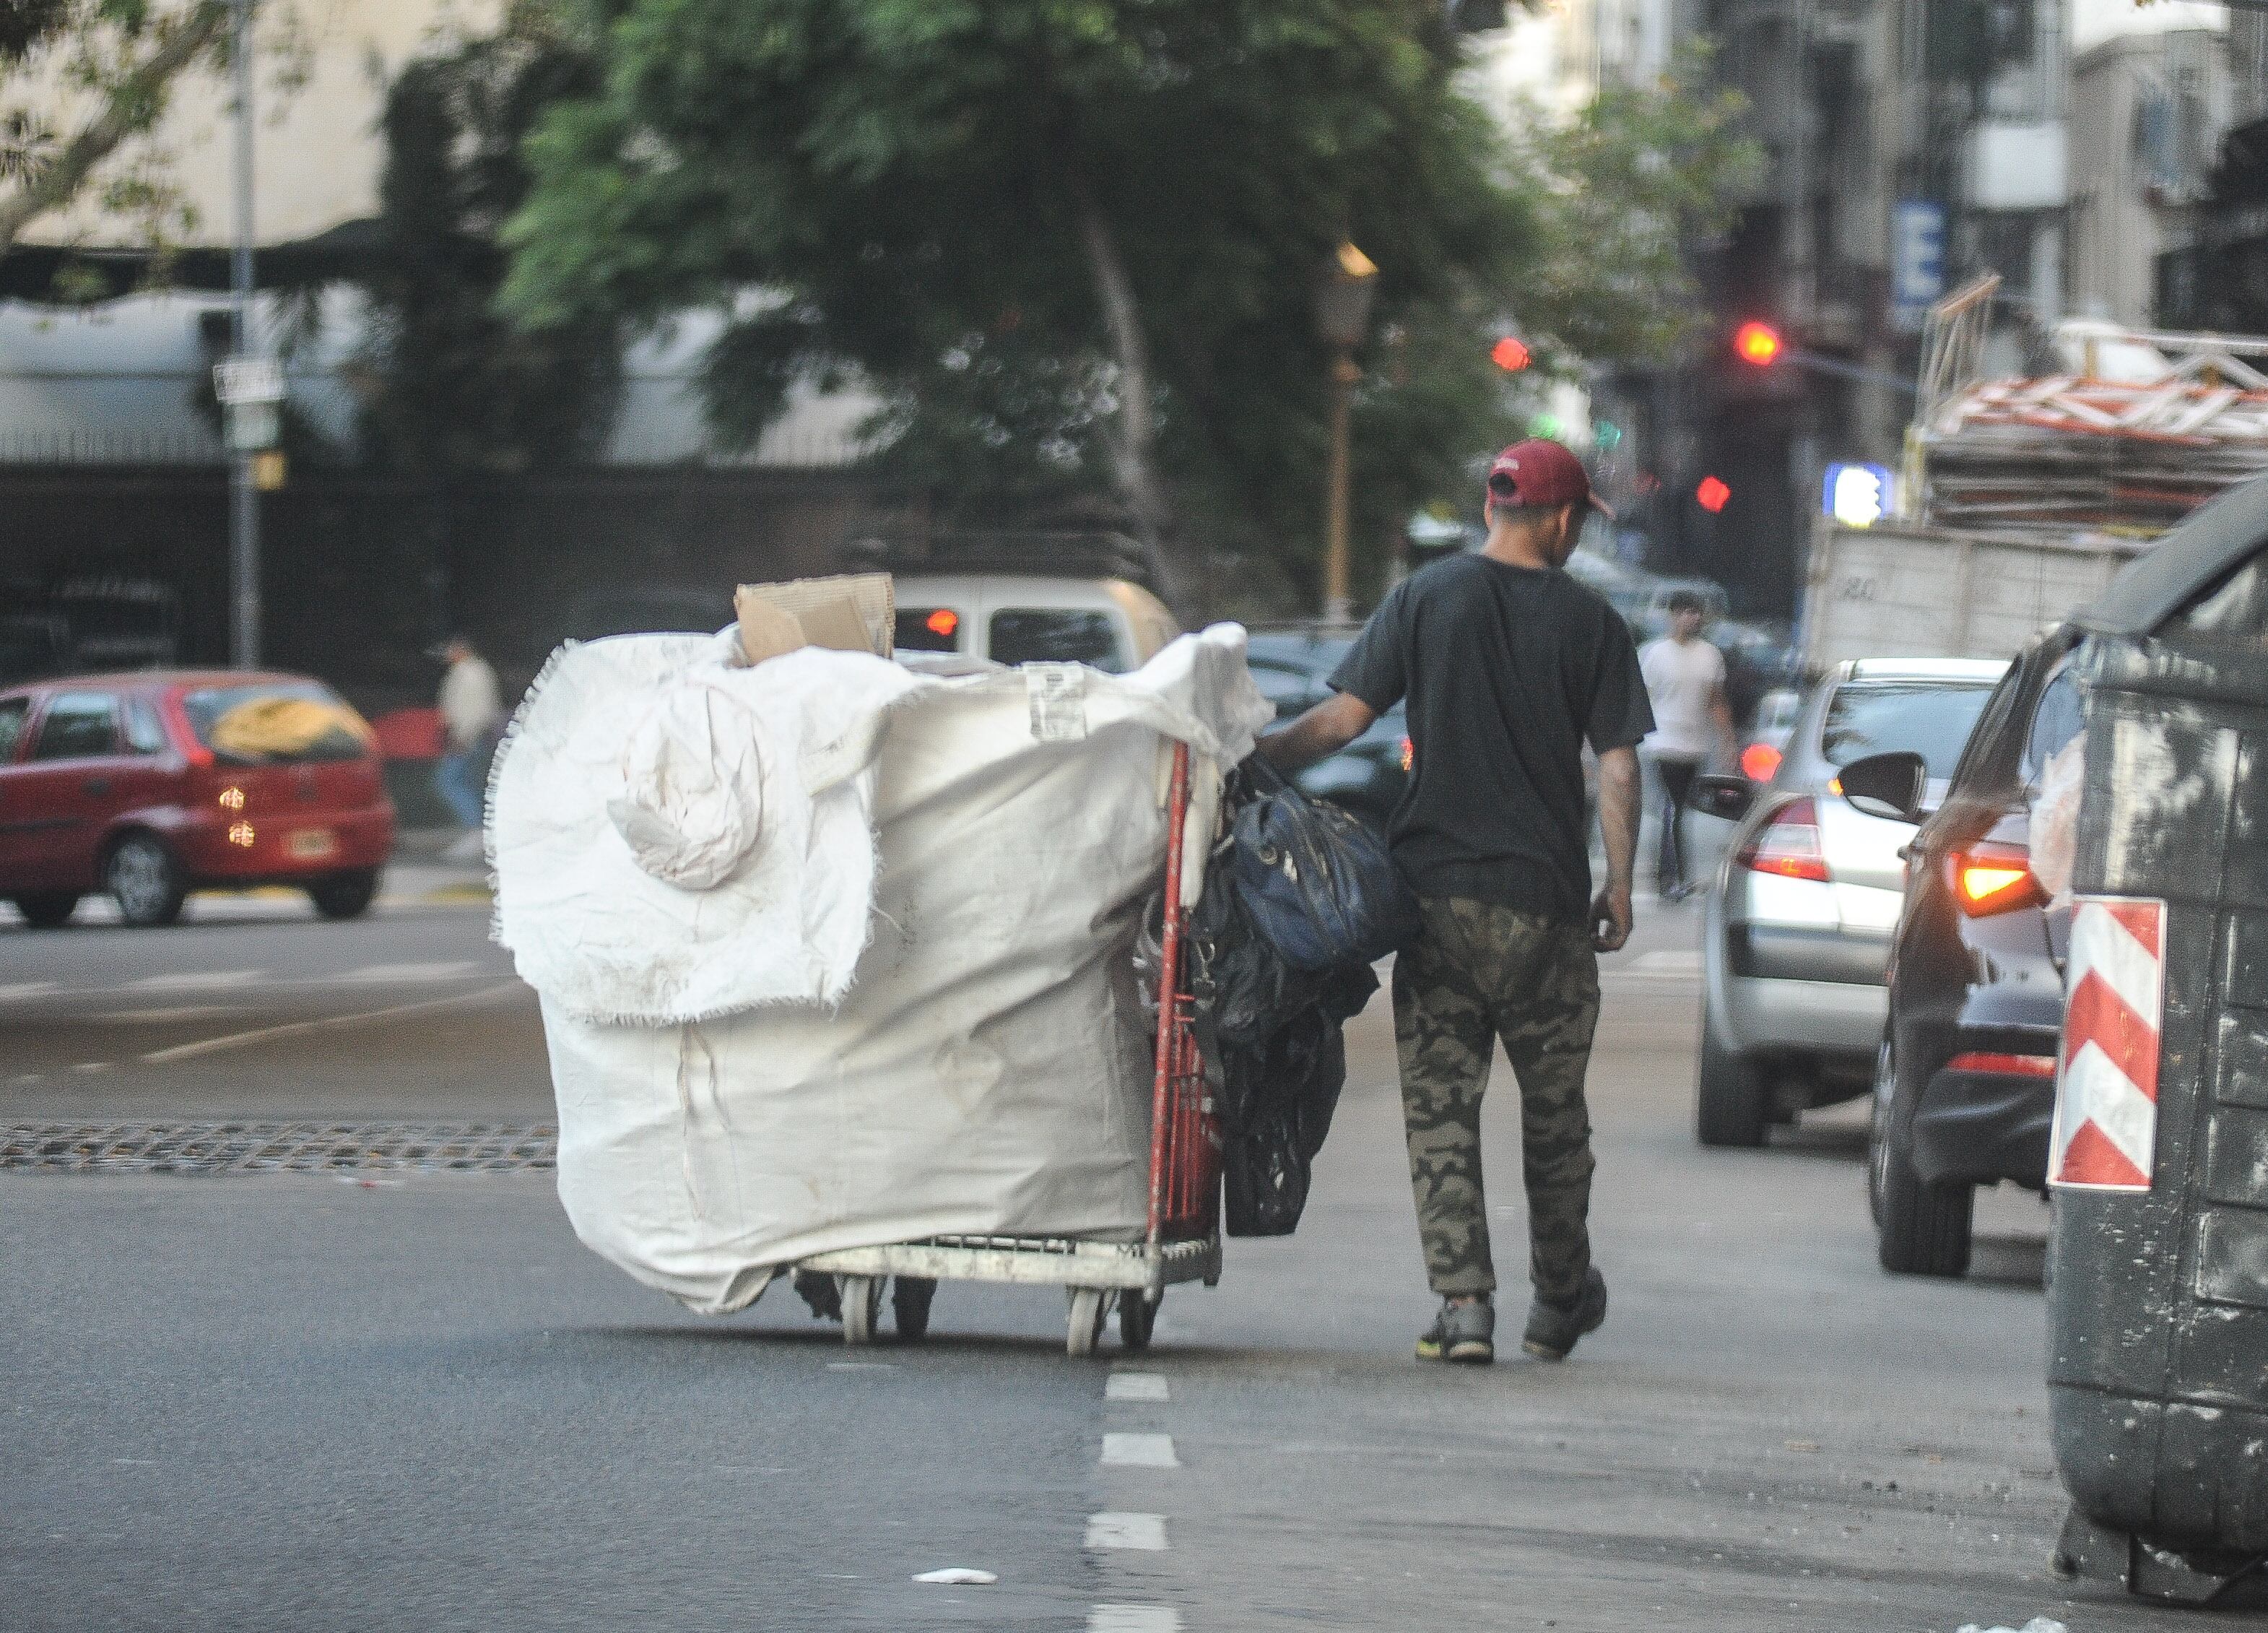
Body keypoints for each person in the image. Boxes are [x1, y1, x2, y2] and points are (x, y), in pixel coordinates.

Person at [1261, 438, 1652, 1367]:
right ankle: (1559, 1301)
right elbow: (1620, 762)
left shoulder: (1424, 599)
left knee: (1442, 1108)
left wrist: (1247, 766)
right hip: (1547, 906)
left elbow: (1340, 722)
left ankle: (1464, 1304)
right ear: (1561, 520)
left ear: (1492, 510)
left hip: (1437, 901)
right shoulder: (1592, 620)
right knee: (1555, 1118)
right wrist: (1622, 883)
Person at [1636, 591, 1736, 901]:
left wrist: (1727, 742)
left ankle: (1672, 875)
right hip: (1661, 743)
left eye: (1696, 614)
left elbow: (1716, 701)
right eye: (1685, 613)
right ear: (1672, 615)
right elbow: (1640, 699)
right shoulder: (1654, 654)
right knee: (1671, 808)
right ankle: (1670, 878)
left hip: (1694, 747)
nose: (1691, 619)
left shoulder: (1710, 655)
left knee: (1681, 811)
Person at [435, 636, 503, 858]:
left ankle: (476, 831)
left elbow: (475, 710)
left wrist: (462, 736)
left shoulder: (469, 674)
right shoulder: (472, 671)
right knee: (465, 782)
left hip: (467, 736)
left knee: (447, 781)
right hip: (471, 735)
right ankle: (477, 831)